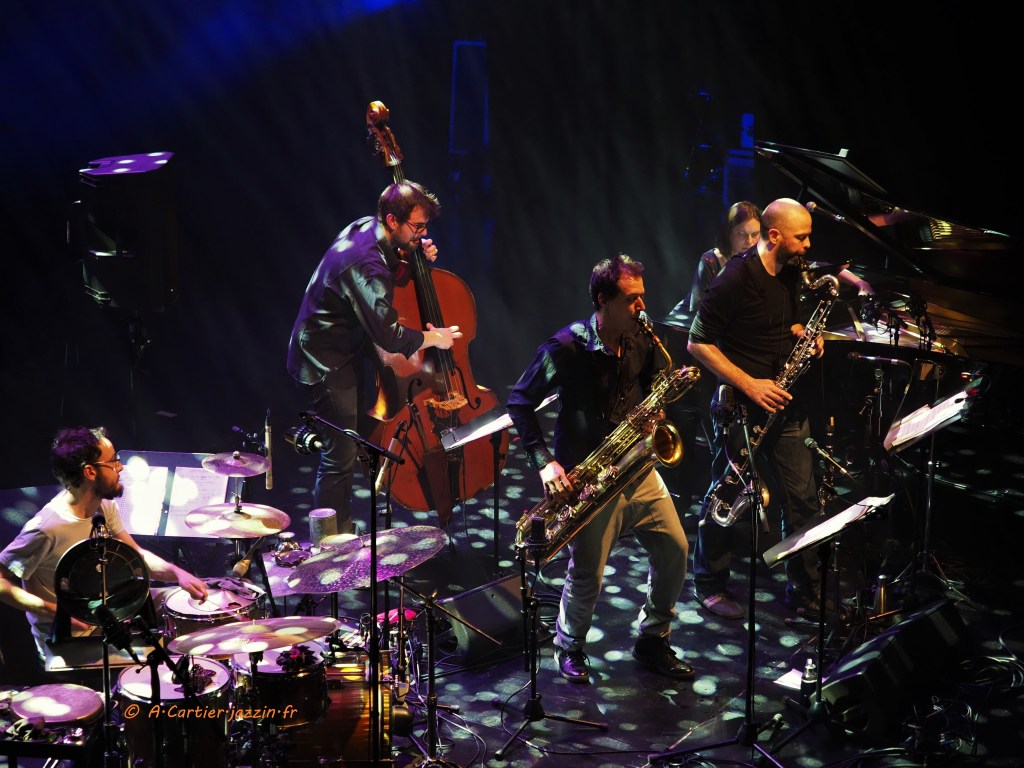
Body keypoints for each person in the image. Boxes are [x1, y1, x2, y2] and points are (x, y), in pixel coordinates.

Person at [507, 254, 693, 684]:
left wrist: (655, 414)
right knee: (588, 575)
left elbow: (652, 385)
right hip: (589, 478)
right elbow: (519, 401)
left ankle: (653, 639)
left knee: (675, 551)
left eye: (642, 297)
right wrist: (544, 463)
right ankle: (569, 645)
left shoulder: (642, 336)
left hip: (637, 465)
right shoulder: (565, 347)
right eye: (631, 299)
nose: (641, 307)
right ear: (602, 300)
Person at [286, 181, 463, 534]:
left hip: (346, 346)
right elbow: (388, 335)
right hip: (323, 359)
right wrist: (435, 338)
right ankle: (330, 542)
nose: (423, 234)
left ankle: (342, 527)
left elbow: (381, 279)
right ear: (392, 220)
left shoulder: (367, 226)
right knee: (339, 456)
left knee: (349, 442)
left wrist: (413, 257)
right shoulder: (366, 262)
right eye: (417, 227)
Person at [687, 198, 828, 621]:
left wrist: (807, 336)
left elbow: (789, 322)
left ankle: (804, 588)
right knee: (728, 498)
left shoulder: (791, 272)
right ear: (775, 236)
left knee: (803, 499)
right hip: (741, 406)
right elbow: (696, 342)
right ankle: (709, 583)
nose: (808, 245)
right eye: (801, 237)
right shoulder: (734, 278)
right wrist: (749, 383)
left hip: (785, 403)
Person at [0, 427, 209, 665]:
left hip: (108, 610)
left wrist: (177, 574)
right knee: (155, 663)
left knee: (197, 603)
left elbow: (136, 558)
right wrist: (54, 611)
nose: (120, 468)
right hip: (70, 639)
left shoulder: (104, 505)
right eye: (113, 462)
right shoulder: (46, 529)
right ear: (90, 471)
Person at [676, 200, 873, 316]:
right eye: (741, 234)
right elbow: (699, 310)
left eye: (754, 234)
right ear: (728, 233)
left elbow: (818, 268)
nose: (748, 241)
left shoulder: (763, 259)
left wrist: (860, 283)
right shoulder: (712, 259)